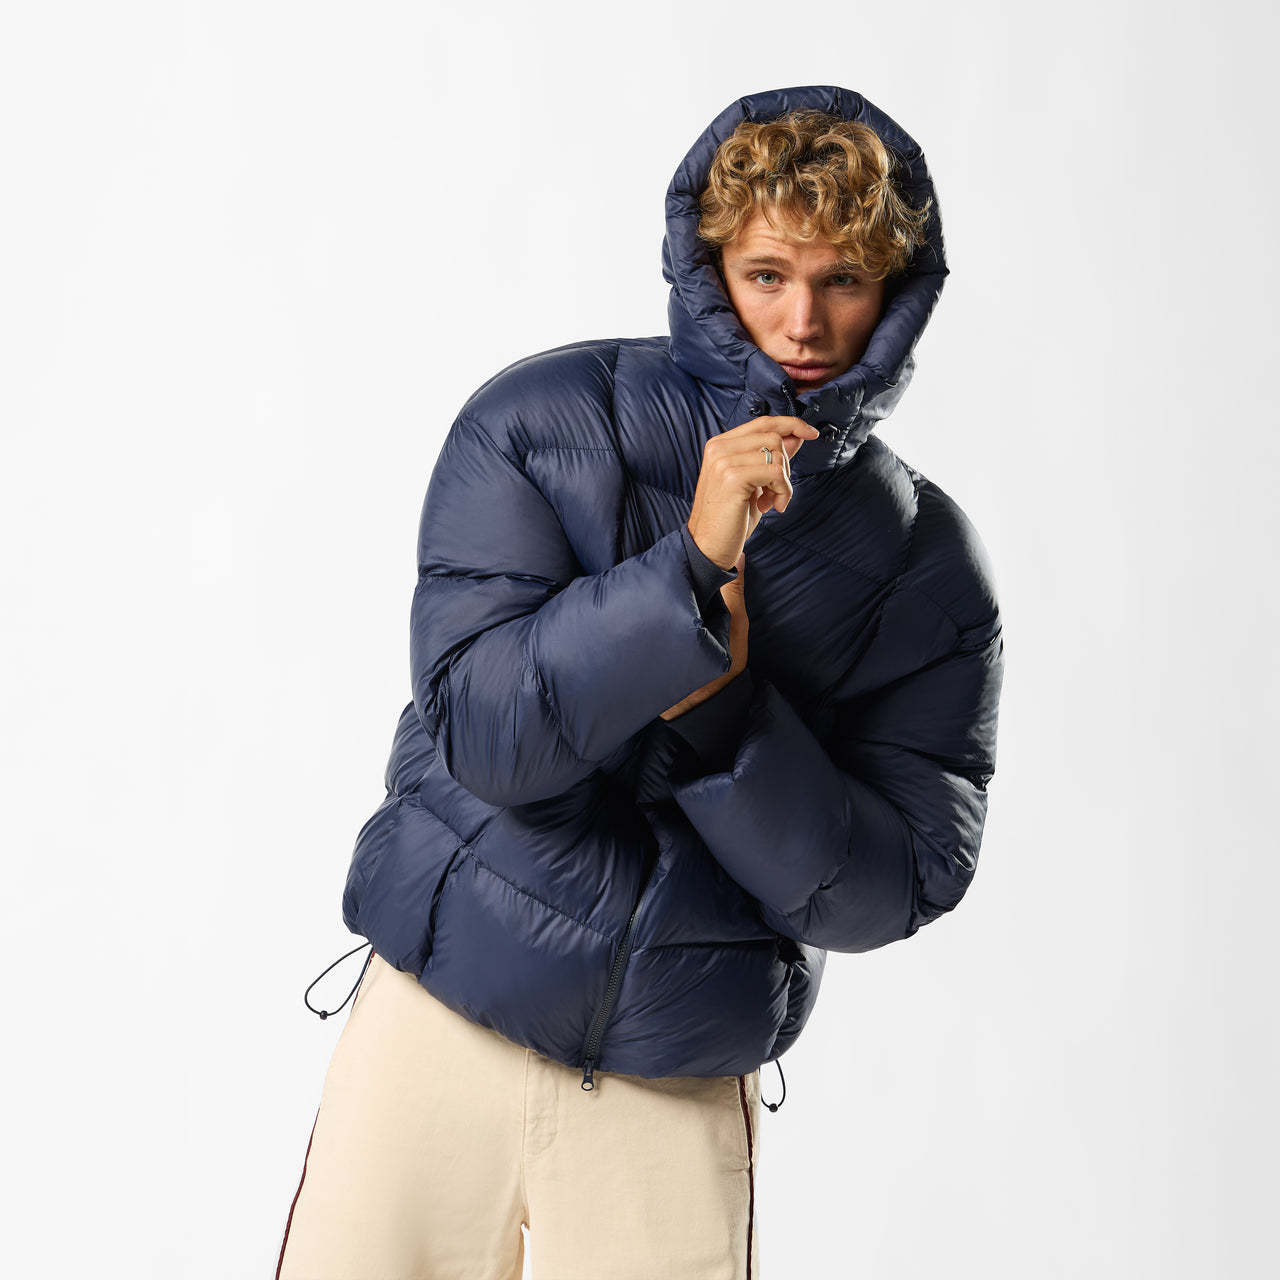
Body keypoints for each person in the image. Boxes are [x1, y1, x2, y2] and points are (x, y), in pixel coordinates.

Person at [275, 84, 1005, 1280]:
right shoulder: (538, 421)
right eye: (767, 273)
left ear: (895, 290)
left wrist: (722, 708)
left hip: (672, 1087)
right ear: (710, 265)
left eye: (841, 280)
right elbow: (485, 732)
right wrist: (685, 578)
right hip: (435, 1024)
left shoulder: (929, 567)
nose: (803, 320)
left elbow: (888, 885)